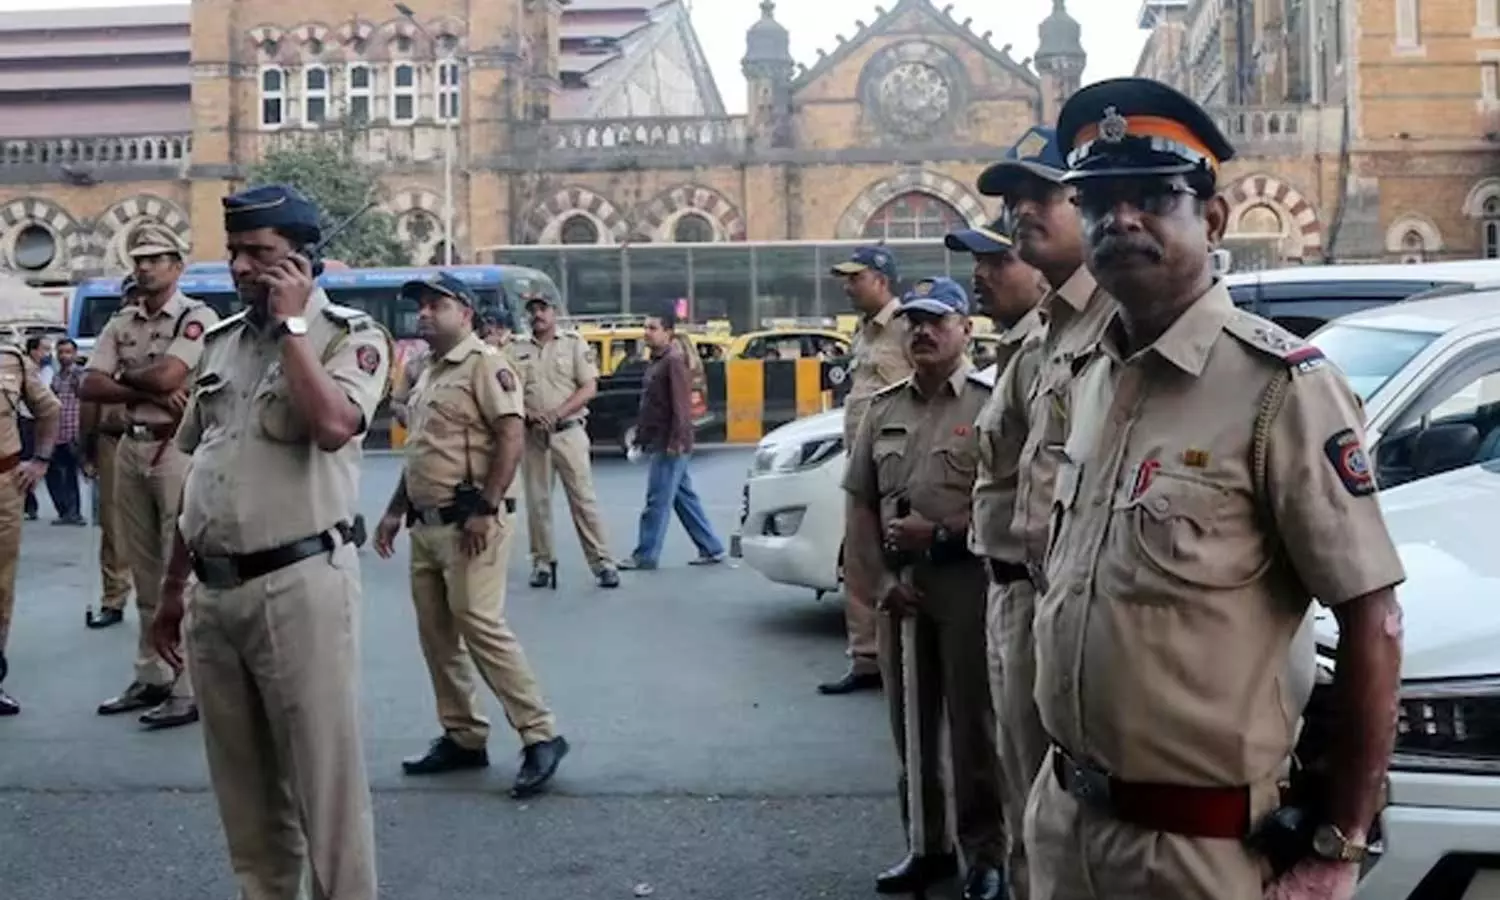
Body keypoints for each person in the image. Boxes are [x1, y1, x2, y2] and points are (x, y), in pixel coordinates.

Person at [1026, 78, 1405, 900]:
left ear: (1215, 220)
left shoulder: (1281, 389)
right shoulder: (1088, 377)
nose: (1121, 219)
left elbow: (1372, 620)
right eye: (1098, 202)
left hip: (1201, 853)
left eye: (1155, 197)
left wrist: (1339, 848)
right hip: (1064, 827)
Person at [150, 184, 391, 899]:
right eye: (235, 252)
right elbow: (199, 470)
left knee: (325, 788)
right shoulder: (221, 343)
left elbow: (333, 426)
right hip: (214, 594)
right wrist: (172, 591)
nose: (240, 267)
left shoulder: (350, 337)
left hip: (300, 585)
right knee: (247, 799)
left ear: (301, 262)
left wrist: (292, 328)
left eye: (259, 254)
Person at [971, 125, 1118, 900]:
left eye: (1042, 195)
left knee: (1062, 821)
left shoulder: (1118, 325)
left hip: (1065, 609)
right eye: (1013, 199)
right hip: (1014, 597)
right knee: (1025, 798)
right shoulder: (1046, 334)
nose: (1021, 211)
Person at [373, 272, 570, 797]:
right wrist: (394, 511)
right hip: (426, 523)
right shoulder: (427, 372)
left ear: (464, 313)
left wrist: (486, 506)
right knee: (437, 635)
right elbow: (421, 451)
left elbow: (511, 435)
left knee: (479, 623)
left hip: (470, 524)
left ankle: (540, 734)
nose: (424, 314)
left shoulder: (486, 364)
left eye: (436, 305)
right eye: (420, 306)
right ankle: (463, 735)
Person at [844, 277, 1006, 900]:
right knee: (910, 724)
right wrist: (879, 582)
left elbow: (1008, 499)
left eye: (938, 321)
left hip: (967, 585)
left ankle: (986, 854)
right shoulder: (884, 407)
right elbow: (861, 503)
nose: (923, 332)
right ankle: (926, 845)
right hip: (901, 592)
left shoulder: (990, 404)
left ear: (966, 329)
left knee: (973, 727)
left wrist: (940, 531)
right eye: (914, 322)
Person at [80, 223, 218, 730]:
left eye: (156, 258)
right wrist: (144, 389)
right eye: (139, 259)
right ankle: (152, 674)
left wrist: (127, 378)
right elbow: (88, 385)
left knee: (178, 570)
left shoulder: (196, 317)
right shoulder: (122, 321)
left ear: (177, 267)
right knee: (142, 568)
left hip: (175, 447)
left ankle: (187, 686)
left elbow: (170, 376)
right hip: (131, 444)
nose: (144, 267)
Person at [819, 245, 912, 696]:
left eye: (856, 278)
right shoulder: (864, 332)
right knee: (859, 563)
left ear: (881, 279)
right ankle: (866, 659)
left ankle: (905, 660)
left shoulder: (906, 326)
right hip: (860, 467)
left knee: (899, 564)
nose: (848, 286)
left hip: (896, 467)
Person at [510, 292, 620, 589]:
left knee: (583, 500)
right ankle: (542, 563)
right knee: (538, 503)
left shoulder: (573, 344)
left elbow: (589, 387)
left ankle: (603, 563)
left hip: (568, 432)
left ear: (554, 312)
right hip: (534, 435)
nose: (537, 315)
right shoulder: (516, 348)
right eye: (532, 310)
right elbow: (507, 391)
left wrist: (557, 413)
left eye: (543, 309)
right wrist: (529, 414)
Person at [618, 304, 727, 570]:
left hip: (670, 442)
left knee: (657, 501)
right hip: (663, 439)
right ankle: (711, 547)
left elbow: (681, 407)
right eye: (645, 327)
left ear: (668, 332)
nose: (647, 332)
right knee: (683, 498)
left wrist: (676, 441)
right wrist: (642, 439)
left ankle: (645, 555)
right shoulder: (658, 361)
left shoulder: (673, 361)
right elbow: (652, 406)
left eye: (653, 328)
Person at [0, 341, 59, 715]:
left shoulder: (11, 360)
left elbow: (49, 409)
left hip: (3, 486)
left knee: (0, 584)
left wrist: (40, 459)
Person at [81, 277, 139, 630]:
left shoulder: (169, 337)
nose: (135, 303)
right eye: (130, 296)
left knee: (169, 524)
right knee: (114, 526)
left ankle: (169, 599)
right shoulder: (111, 338)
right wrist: (86, 445)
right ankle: (114, 598)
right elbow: (90, 393)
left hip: (163, 439)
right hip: (113, 439)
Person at [45, 338, 86, 525]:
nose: (64, 356)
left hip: (73, 431)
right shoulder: (56, 376)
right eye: (60, 352)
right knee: (54, 473)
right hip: (57, 431)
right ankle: (64, 511)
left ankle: (74, 513)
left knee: (70, 474)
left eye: (68, 352)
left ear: (75, 354)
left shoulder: (79, 375)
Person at [18, 335, 53, 520]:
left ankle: (29, 504)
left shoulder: (47, 370)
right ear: (33, 351)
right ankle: (27, 504)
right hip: (26, 419)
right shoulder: (23, 369)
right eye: (44, 349)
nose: (48, 354)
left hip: (43, 419)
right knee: (24, 461)